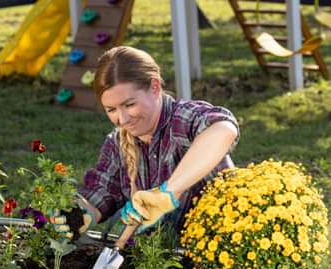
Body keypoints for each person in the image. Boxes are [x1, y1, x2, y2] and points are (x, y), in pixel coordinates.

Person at [53, 45, 239, 240]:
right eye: (111, 110)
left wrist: (167, 194)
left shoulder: (181, 121)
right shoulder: (118, 143)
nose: (122, 120)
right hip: (157, 261)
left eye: (130, 104)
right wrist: (80, 213)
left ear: (155, 87)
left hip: (215, 249)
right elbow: (100, 192)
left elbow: (223, 128)